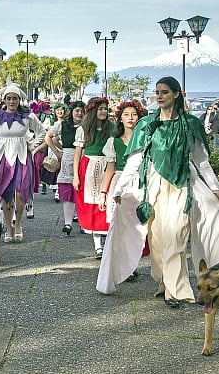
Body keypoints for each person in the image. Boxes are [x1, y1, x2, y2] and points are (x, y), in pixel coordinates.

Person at [112, 77, 219, 306]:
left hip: (183, 185)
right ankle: (163, 282)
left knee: (177, 235)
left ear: (175, 95)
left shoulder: (190, 124)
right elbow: (135, 159)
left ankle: (177, 290)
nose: (159, 96)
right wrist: (120, 187)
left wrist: (215, 188)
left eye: (164, 92)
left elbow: (201, 161)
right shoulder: (147, 125)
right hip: (154, 186)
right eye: (157, 92)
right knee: (158, 240)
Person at [0, 84, 44, 242]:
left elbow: (41, 131)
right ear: (4, 99)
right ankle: (8, 225)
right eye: (9, 98)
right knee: (5, 192)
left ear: (19, 100)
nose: (12, 101)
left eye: (15, 98)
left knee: (20, 192)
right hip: (1, 157)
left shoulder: (28, 117)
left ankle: (18, 223)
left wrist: (32, 147)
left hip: (21, 156)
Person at [96, 100, 147, 294]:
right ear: (120, 118)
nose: (131, 118)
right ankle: (120, 267)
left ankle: (131, 265)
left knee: (138, 226)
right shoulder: (114, 141)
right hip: (120, 183)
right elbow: (110, 168)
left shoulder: (145, 139)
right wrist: (103, 192)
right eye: (126, 115)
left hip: (140, 183)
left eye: (134, 114)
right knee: (119, 227)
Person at [73, 97, 114, 259]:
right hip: (89, 167)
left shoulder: (112, 128)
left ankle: (108, 241)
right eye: (100, 109)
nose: (103, 111)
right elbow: (78, 153)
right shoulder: (84, 128)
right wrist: (75, 176)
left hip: (107, 166)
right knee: (91, 205)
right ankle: (98, 245)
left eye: (105, 108)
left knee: (106, 203)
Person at [46, 101, 85, 234]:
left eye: (82, 111)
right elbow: (48, 138)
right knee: (68, 190)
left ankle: (82, 222)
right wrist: (57, 151)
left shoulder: (86, 126)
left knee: (82, 191)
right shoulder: (62, 125)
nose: (79, 113)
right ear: (72, 112)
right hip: (68, 158)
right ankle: (68, 223)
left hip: (84, 158)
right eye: (77, 111)